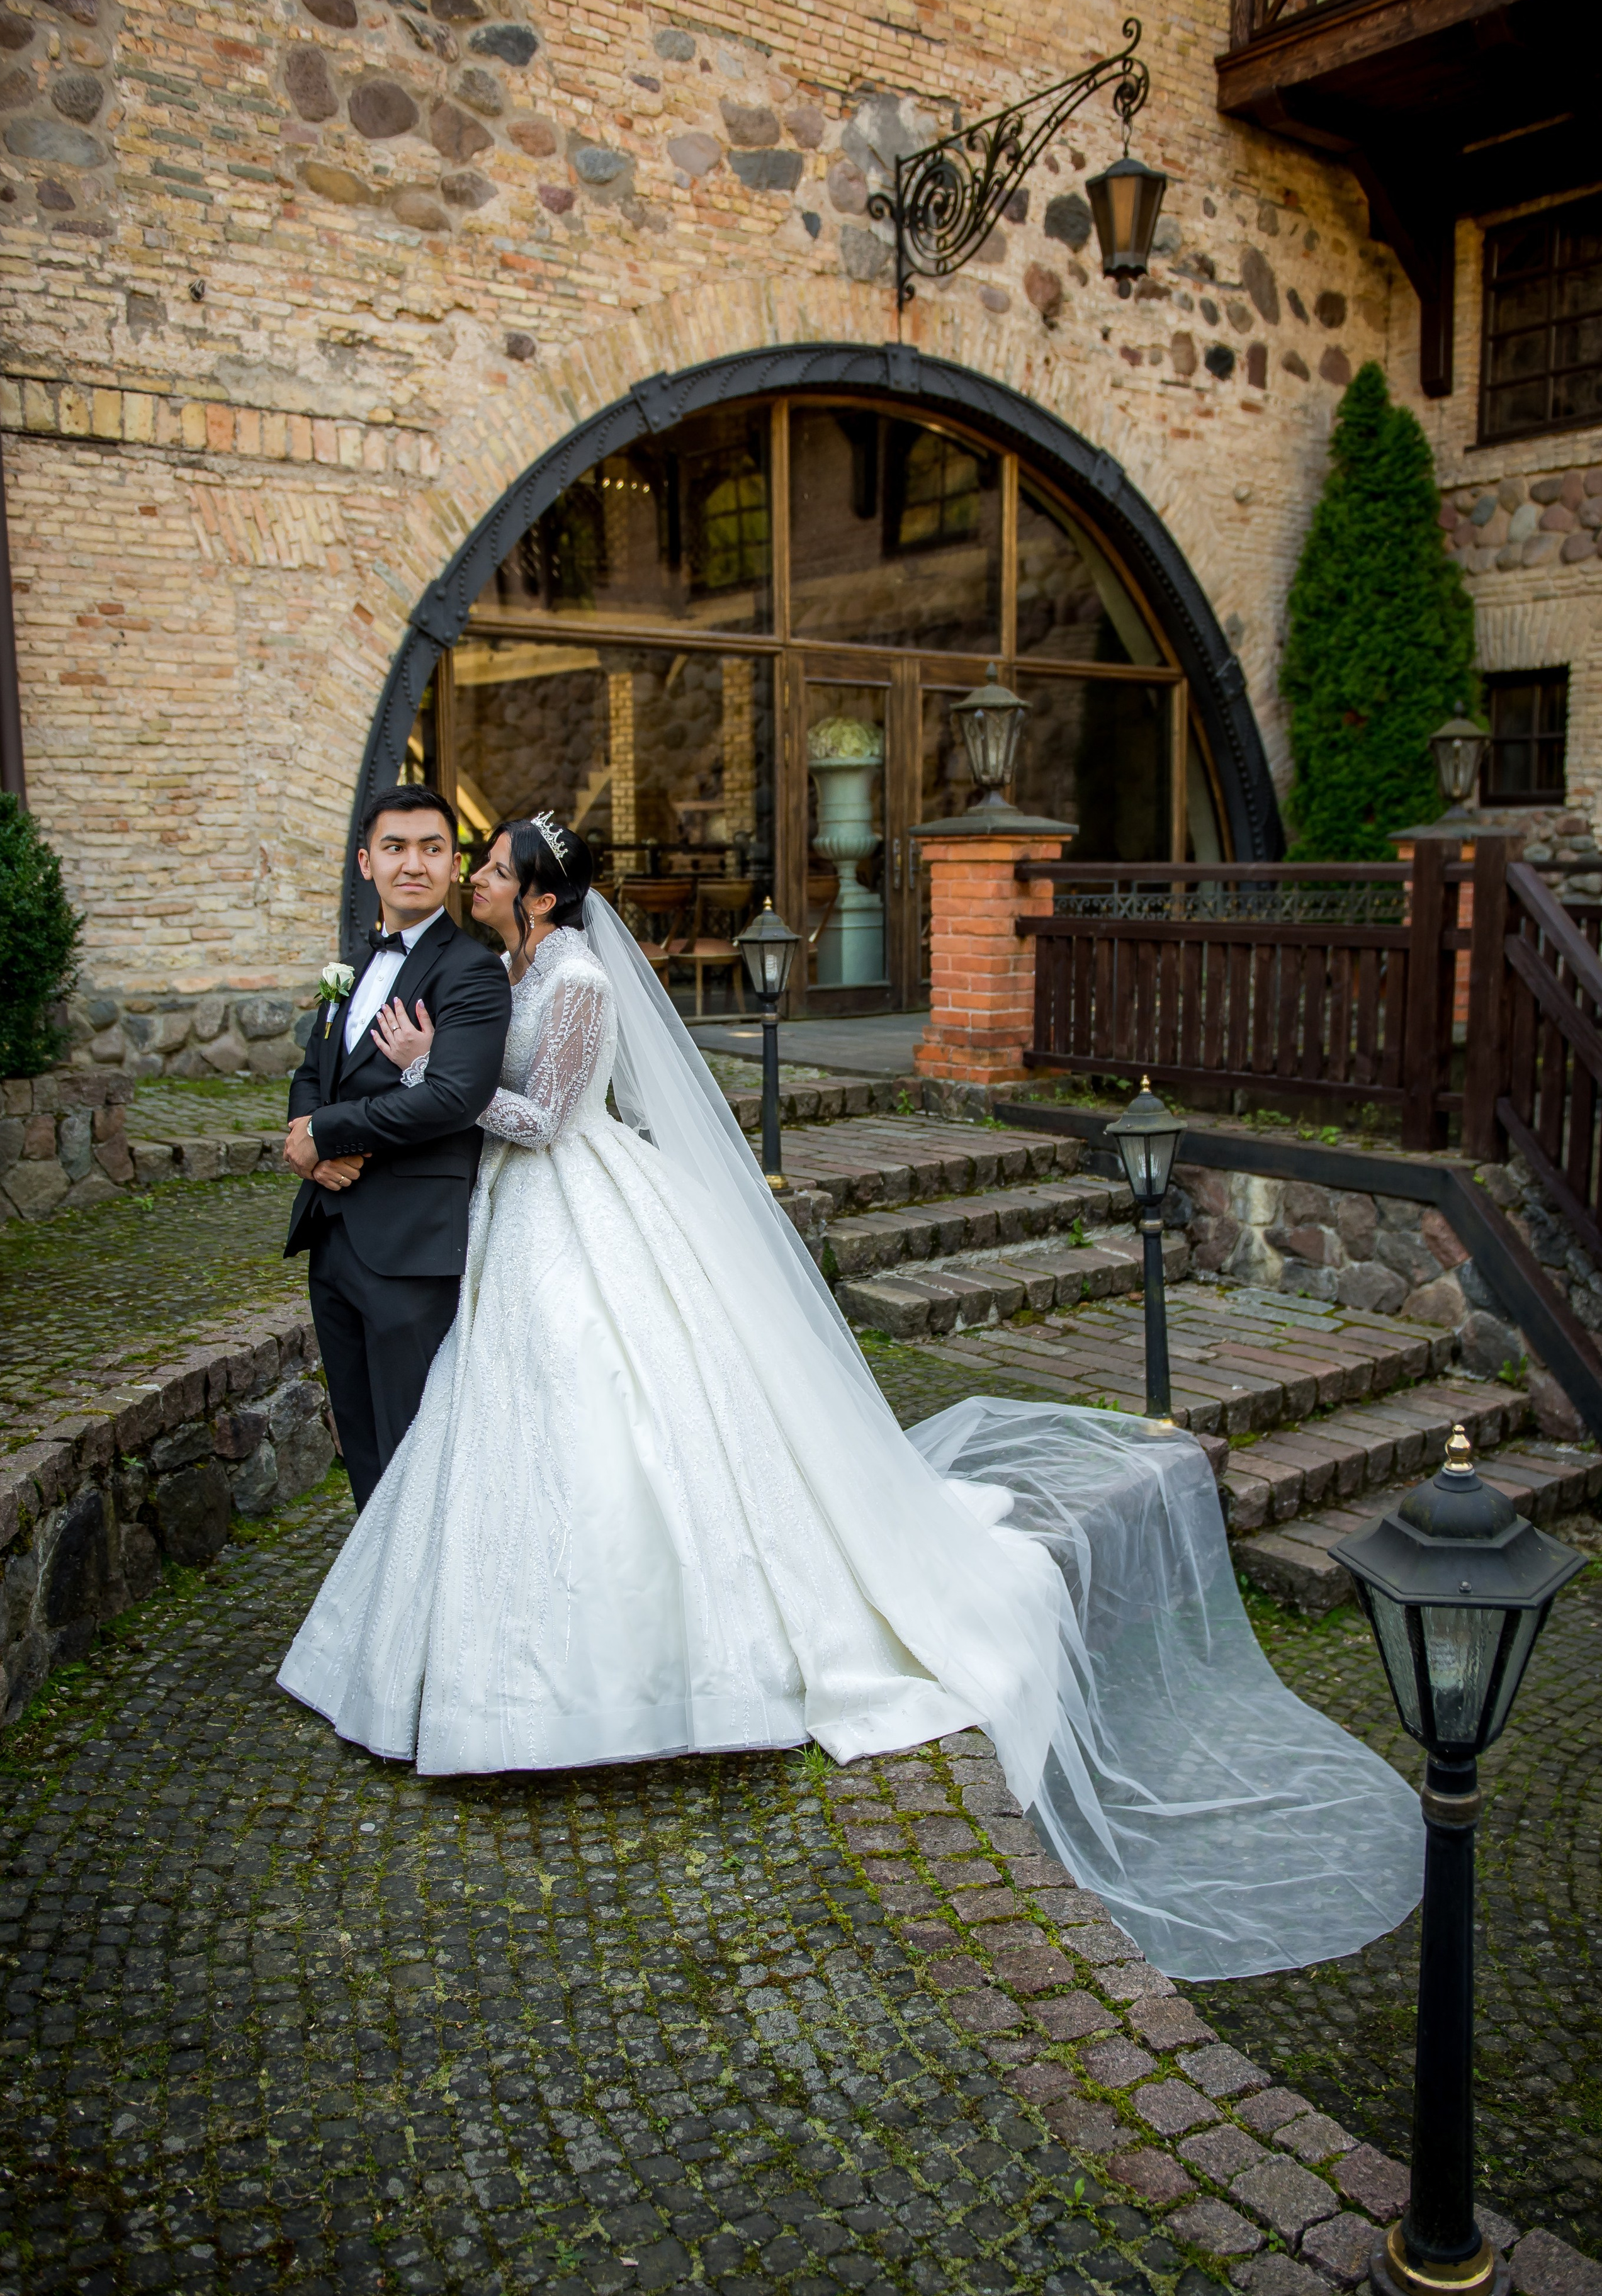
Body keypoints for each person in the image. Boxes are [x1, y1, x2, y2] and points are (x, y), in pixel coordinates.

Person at [279, 812, 1423, 1984]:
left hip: (579, 1199)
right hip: (521, 1218)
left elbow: (549, 1117)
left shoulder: (571, 976)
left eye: (489, 866)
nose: (470, 875)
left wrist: (431, 1079)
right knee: (517, 1421)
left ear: (540, 897)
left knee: (626, 1411)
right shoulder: (517, 964)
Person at [283, 782, 512, 1509]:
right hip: (333, 1232)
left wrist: (328, 1134)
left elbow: (452, 1096)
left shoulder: (470, 970)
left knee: (417, 1444)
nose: (412, 863)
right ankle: (381, 1607)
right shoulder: (348, 966)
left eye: (431, 848)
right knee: (362, 1443)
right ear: (365, 862)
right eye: (395, 847)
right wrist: (307, 1135)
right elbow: (312, 1070)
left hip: (412, 1243)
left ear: (452, 866)